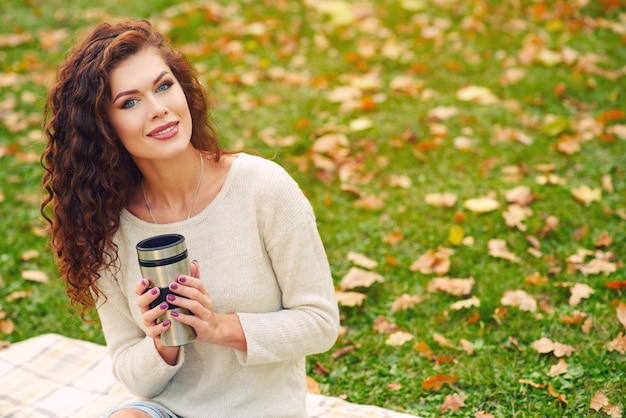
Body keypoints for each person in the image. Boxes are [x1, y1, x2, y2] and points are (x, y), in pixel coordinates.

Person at [41, 19, 340, 418]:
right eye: (130, 102)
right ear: (103, 129)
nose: (159, 109)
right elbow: (130, 371)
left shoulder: (262, 187)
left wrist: (216, 327)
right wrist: (162, 342)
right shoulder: (103, 225)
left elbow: (320, 324)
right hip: (168, 409)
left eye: (163, 86)